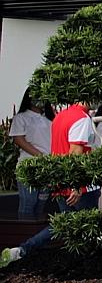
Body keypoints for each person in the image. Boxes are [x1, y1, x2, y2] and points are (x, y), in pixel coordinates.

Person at [1, 99, 102, 264]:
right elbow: (75, 152)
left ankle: (23, 249)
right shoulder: (81, 118)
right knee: (86, 224)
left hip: (62, 182)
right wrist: (76, 185)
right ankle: (89, 261)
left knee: (63, 224)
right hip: (80, 185)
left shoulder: (60, 117)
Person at [9, 85, 55, 220]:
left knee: (41, 204)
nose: (39, 99)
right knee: (28, 204)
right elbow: (18, 139)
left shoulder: (49, 118)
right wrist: (40, 156)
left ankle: (36, 237)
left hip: (47, 167)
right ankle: (24, 236)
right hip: (28, 166)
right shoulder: (21, 117)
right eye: (36, 96)